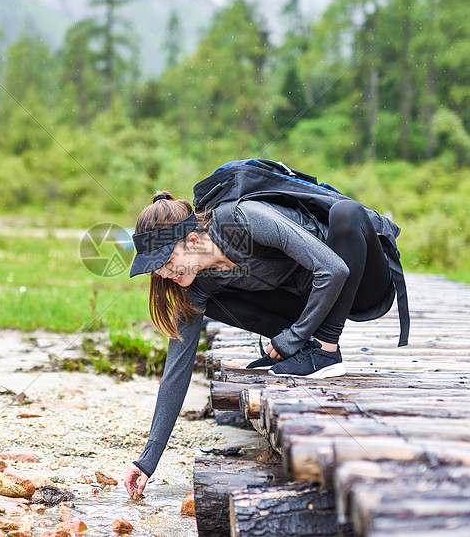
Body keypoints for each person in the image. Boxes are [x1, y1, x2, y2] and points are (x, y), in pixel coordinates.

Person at [122, 190, 400, 498]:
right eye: (156, 267)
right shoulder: (196, 285)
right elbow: (176, 369)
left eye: (167, 260)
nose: (163, 273)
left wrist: (292, 338)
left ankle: (325, 350)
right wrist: (148, 460)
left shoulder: (244, 220)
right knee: (204, 303)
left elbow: (333, 270)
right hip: (308, 303)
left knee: (348, 212)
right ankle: (309, 345)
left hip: (359, 281)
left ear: (193, 240)